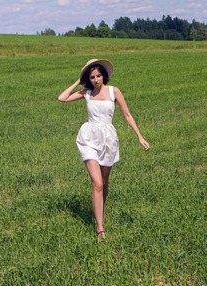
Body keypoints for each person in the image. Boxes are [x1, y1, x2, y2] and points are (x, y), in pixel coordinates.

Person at [58, 59, 150, 240]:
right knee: (97, 183)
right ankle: (100, 227)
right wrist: (78, 80)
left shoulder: (113, 91)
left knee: (104, 183)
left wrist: (139, 136)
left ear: (104, 76)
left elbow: (127, 114)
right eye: (91, 77)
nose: (96, 80)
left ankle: (100, 212)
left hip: (108, 140)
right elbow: (62, 98)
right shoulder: (86, 92)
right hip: (88, 138)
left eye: (98, 76)